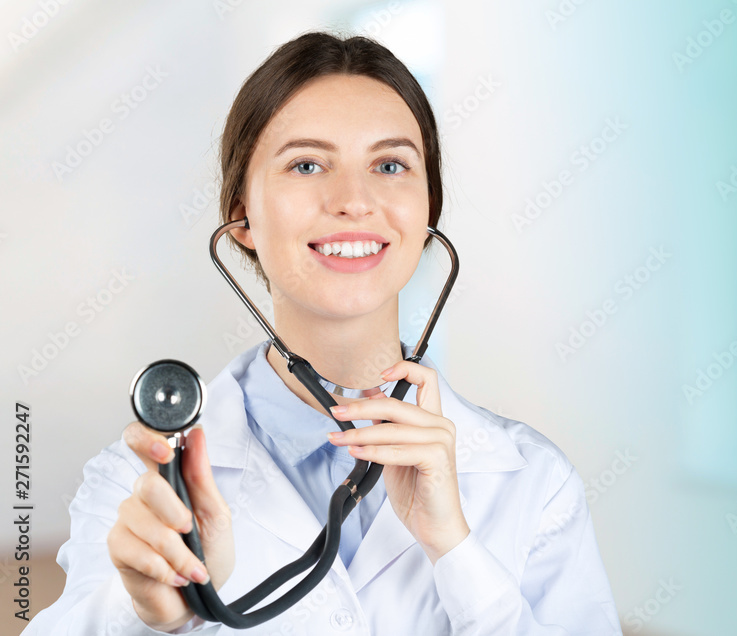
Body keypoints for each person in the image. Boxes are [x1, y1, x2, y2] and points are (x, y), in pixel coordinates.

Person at [24, 31, 621, 635]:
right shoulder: (138, 487)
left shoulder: (533, 481)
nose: (354, 201)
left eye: (390, 165)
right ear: (241, 217)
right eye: (307, 164)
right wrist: (151, 617)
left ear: (428, 210)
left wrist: (458, 552)